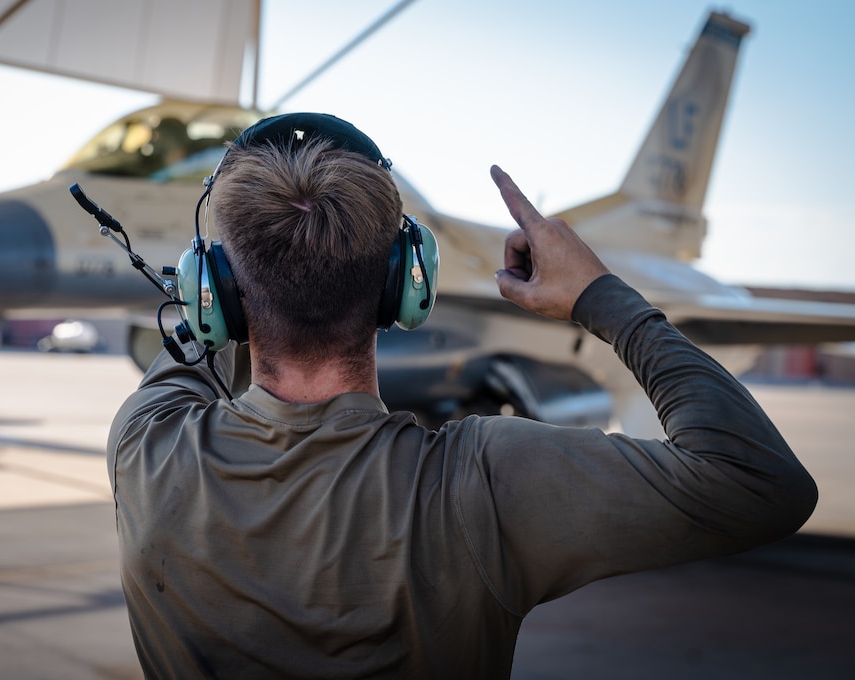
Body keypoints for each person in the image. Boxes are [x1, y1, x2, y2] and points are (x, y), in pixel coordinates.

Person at [106, 113, 817, 678]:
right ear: (407, 286)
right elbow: (760, 483)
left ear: (219, 292)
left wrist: (226, 288)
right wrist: (602, 298)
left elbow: (197, 335)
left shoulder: (147, 444)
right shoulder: (484, 482)